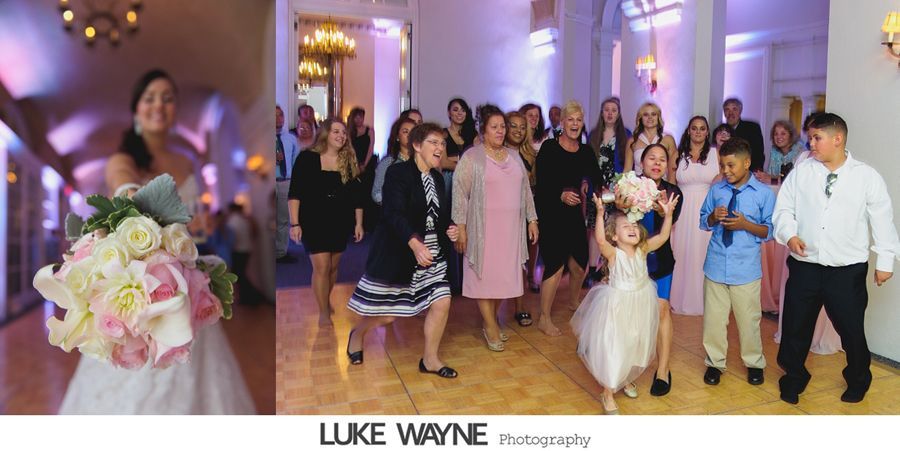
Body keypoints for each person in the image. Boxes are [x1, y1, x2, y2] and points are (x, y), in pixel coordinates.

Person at [63, 69, 255, 414]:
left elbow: (197, 216)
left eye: (168, 98)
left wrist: (202, 221)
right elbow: (125, 189)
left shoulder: (187, 160)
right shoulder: (123, 159)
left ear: (175, 110)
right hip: (141, 290)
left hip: (186, 283)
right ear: (136, 111)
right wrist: (137, 199)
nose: (159, 105)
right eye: (150, 98)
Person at [774, 113, 900, 404]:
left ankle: (858, 378)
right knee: (795, 325)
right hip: (805, 264)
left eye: (817, 137)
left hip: (847, 269)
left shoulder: (866, 176)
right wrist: (790, 235)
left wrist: (884, 263)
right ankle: (794, 376)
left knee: (851, 328)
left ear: (837, 139)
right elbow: (783, 210)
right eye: (811, 137)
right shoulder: (802, 171)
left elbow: (882, 220)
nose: (811, 143)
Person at [346, 123, 460, 378]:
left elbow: (438, 219)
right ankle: (358, 333)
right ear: (417, 146)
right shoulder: (398, 173)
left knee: (442, 300)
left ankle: (430, 359)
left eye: (442, 143)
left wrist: (450, 228)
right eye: (434, 142)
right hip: (402, 254)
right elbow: (393, 213)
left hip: (433, 257)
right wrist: (414, 242)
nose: (440, 147)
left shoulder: (438, 179)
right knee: (387, 316)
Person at [571, 193, 679, 414]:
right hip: (618, 306)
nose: (632, 229)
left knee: (634, 343)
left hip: (640, 303)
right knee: (616, 345)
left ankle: (625, 378)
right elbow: (600, 240)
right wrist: (600, 214)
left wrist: (668, 215)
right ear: (614, 235)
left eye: (635, 226)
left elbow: (664, 237)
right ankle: (608, 393)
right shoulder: (614, 254)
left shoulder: (642, 250)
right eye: (625, 226)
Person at [453, 105, 538, 350]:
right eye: (495, 127)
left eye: (503, 126)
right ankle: (490, 325)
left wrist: (532, 220)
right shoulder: (472, 157)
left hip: (510, 230)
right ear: (484, 130)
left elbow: (525, 191)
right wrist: (461, 227)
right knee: (483, 277)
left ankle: (490, 319)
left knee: (505, 277)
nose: (501, 131)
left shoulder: (513, 156)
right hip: (483, 229)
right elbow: (459, 194)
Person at [699, 137, 775, 387]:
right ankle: (714, 363)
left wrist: (745, 225)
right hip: (716, 265)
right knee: (714, 320)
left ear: (747, 163)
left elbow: (770, 231)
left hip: (746, 269)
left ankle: (754, 363)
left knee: (748, 321)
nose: (725, 171)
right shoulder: (717, 190)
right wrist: (712, 216)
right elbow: (702, 221)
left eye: (731, 165)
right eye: (722, 165)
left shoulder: (764, 194)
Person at [616, 143, 683, 396]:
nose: (657, 163)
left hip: (660, 261)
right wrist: (621, 207)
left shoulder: (673, 192)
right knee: (630, 317)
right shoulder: (626, 187)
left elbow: (669, 224)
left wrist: (661, 210)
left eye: (662, 159)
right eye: (651, 158)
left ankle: (663, 370)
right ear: (641, 163)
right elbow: (615, 224)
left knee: (662, 310)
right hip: (632, 263)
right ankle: (625, 370)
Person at [534, 100, 602, 337]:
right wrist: (560, 194)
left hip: (574, 214)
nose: (574, 124)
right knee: (555, 264)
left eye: (579, 120)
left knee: (579, 263)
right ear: (562, 123)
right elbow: (541, 183)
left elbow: (596, 176)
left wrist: (585, 182)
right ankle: (544, 317)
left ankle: (574, 303)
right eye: (570, 119)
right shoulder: (549, 148)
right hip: (551, 212)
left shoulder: (585, 151)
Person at [288, 119, 365, 326]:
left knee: (332, 267)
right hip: (313, 221)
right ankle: (323, 311)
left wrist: (359, 223)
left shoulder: (347, 161)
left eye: (343, 133)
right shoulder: (307, 159)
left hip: (340, 220)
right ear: (325, 134)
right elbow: (295, 193)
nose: (341, 136)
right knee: (321, 267)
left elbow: (357, 197)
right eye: (336, 132)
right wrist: (294, 224)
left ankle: (326, 299)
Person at [669, 116, 718, 315]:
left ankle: (704, 301)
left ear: (707, 132)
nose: (698, 132)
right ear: (688, 131)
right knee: (681, 251)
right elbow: (671, 185)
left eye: (702, 128)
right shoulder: (677, 154)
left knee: (703, 252)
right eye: (694, 128)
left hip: (706, 207)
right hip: (682, 207)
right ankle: (678, 298)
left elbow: (723, 179)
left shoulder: (716, 154)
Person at [585, 97, 630, 286]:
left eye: (614, 110)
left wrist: (621, 186)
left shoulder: (626, 135)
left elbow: (628, 164)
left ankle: (608, 267)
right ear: (602, 113)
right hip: (596, 188)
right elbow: (586, 162)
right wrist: (586, 181)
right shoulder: (593, 134)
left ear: (618, 114)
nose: (610, 113)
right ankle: (592, 269)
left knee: (612, 229)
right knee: (595, 229)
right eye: (606, 110)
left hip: (615, 188)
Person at [505, 110, 541, 309]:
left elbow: (533, 184)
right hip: (504, 211)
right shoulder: (497, 153)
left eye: (522, 126)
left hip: (526, 208)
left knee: (522, 256)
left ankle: (520, 307)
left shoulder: (531, 154)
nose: (518, 130)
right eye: (513, 125)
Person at [442, 98, 477, 293]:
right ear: (449, 113)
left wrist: (457, 161)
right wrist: (463, 163)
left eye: (463, 110)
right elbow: (443, 162)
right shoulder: (443, 134)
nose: (459, 113)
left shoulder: (473, 134)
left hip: (470, 185)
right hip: (448, 183)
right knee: (452, 227)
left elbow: (478, 161)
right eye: (455, 110)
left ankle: (467, 280)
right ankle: (452, 280)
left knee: (469, 226)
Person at [624, 102, 678, 180]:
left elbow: (672, 169)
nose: (650, 117)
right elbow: (627, 171)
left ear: (658, 117)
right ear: (640, 118)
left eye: (653, 114)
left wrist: (671, 189)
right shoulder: (632, 141)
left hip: (663, 187)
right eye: (646, 114)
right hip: (639, 188)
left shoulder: (668, 139)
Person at [276, 105, 301, 264]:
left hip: (286, 182)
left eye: (280, 115)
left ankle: (280, 252)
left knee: (284, 219)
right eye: (274, 116)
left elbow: (295, 162)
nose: (278, 119)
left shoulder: (291, 138)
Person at [226, 202, 264, 305]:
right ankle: (248, 297)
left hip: (238, 250)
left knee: (239, 275)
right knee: (241, 274)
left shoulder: (232, 220)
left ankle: (253, 296)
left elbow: (231, 237)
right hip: (247, 248)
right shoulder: (244, 220)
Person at [372, 117, 416, 205]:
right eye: (405, 131)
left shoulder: (421, 162)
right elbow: (376, 193)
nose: (410, 135)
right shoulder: (388, 162)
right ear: (397, 136)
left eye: (413, 132)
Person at [722, 98, 765, 172]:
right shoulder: (720, 130)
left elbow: (758, 154)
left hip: (748, 173)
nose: (730, 113)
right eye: (727, 109)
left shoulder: (752, 127)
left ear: (740, 111)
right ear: (724, 113)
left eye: (734, 109)